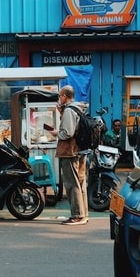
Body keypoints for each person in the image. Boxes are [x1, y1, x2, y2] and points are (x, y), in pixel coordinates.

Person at [49, 85, 89, 226]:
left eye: (60, 96)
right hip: (81, 150)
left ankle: (77, 215)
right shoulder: (78, 108)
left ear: (65, 96)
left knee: (72, 184)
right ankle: (84, 214)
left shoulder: (69, 111)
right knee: (81, 183)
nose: (59, 98)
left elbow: (67, 133)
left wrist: (56, 133)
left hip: (70, 152)